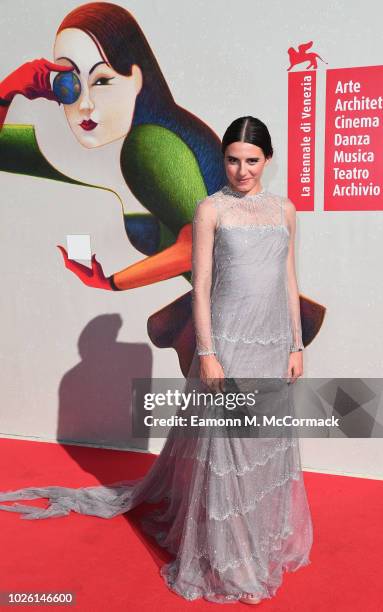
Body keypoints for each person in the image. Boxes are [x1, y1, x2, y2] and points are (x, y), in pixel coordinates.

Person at [0, 115, 313, 605]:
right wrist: (207, 353)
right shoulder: (211, 210)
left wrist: (296, 344)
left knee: (260, 445)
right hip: (228, 341)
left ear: (267, 160)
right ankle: (230, 558)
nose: (242, 170)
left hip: (272, 343)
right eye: (232, 160)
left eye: (251, 161)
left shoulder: (285, 211)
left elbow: (289, 280)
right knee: (226, 452)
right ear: (223, 160)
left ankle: (259, 539)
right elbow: (202, 289)